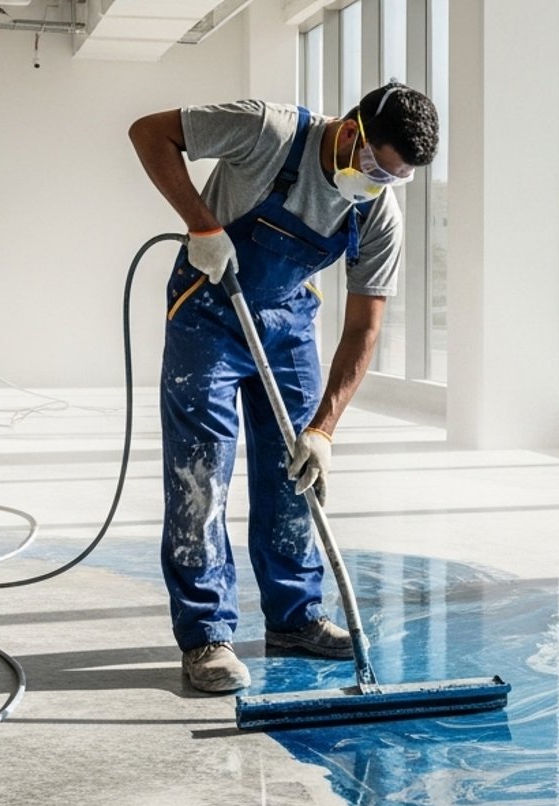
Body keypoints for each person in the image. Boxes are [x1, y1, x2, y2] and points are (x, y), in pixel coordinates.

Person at [127, 82, 440, 693]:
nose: (378, 183)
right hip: (208, 310)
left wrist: (324, 428)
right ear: (351, 130)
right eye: (376, 165)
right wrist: (202, 225)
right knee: (202, 477)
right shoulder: (266, 131)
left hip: (288, 323)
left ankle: (295, 618)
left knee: (296, 473)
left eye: (395, 177)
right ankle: (207, 637)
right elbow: (148, 131)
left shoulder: (377, 211)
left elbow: (364, 327)